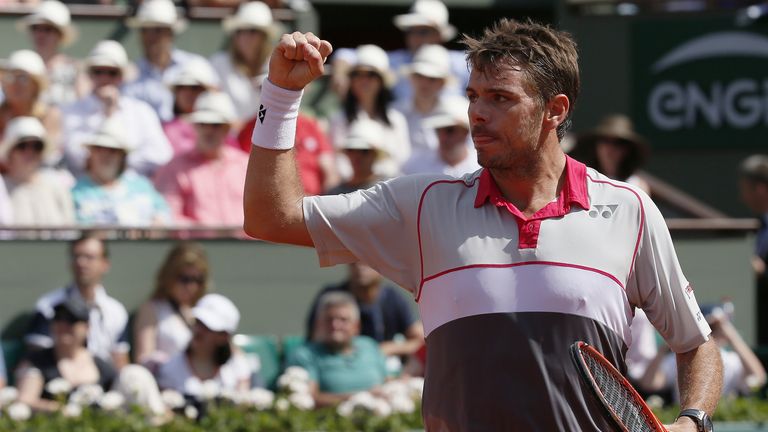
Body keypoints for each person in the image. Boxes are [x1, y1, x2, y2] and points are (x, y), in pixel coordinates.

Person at [243, 21, 723, 431]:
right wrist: (281, 95)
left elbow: (696, 345)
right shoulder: (422, 205)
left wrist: (692, 420)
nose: (476, 112)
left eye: (499, 98)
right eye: (473, 95)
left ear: (554, 110)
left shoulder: (629, 210)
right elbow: (271, 216)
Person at [60, 40, 172, 178]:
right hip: (86, 190)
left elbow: (161, 154)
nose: (104, 78)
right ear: (90, 74)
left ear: (121, 76)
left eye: (112, 73)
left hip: (133, 190)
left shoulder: (142, 111)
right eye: (98, 72)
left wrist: (118, 160)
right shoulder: (72, 111)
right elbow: (76, 156)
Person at [25, 233, 131, 370]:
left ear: (105, 264)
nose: (81, 263)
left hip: (105, 384)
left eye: (89, 257)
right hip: (58, 382)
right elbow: (36, 359)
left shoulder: (117, 311)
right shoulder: (48, 306)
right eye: (76, 257)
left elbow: (120, 361)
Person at [331, 0, 469, 104]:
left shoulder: (461, 62)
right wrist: (341, 75)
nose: (415, 37)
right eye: (410, 31)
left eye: (423, 31)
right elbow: (347, 55)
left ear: (439, 35)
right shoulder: (397, 60)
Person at [154, 91, 249, 226]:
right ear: (194, 126)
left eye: (216, 125)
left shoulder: (245, 165)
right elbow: (168, 216)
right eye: (203, 124)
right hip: (197, 245)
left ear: (227, 129)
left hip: (246, 245)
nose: (208, 131)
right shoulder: (174, 168)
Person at [639, 304, 766, 402]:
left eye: (714, 329)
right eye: (707, 328)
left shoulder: (731, 360)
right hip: (686, 422)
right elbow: (649, 383)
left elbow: (759, 378)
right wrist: (666, 345)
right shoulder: (680, 358)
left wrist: (730, 334)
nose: (710, 334)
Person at [16, 296, 117, 412]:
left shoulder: (102, 364)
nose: (63, 325)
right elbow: (25, 400)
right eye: (58, 318)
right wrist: (61, 410)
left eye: (71, 320)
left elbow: (116, 399)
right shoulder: (36, 361)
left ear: (87, 327)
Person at [288, 291, 388, 407]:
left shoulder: (369, 345)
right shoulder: (305, 354)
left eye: (343, 320)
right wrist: (360, 398)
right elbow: (310, 399)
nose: (335, 325)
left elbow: (387, 381)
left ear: (357, 326)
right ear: (318, 324)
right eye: (329, 319)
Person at [305, 262, 424, 358]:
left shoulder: (392, 297)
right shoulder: (331, 296)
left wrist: (385, 349)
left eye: (367, 261)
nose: (359, 266)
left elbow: (419, 340)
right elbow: (314, 337)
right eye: (353, 261)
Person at [328, 44, 411, 178]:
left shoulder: (397, 120)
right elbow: (338, 163)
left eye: (371, 75)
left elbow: (403, 160)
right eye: (357, 75)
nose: (364, 80)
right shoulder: (338, 120)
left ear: (381, 81)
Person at [71, 117, 172, 226]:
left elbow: (164, 213)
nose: (106, 156)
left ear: (122, 157)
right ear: (91, 155)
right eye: (99, 149)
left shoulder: (142, 186)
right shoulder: (76, 194)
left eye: (113, 151)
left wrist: (157, 223)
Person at [123, 0, 211, 122]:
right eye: (145, 30)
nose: (151, 37)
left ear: (171, 33)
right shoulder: (130, 77)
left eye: (158, 30)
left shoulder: (196, 65)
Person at [156, 293, 252, 399]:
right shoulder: (170, 368)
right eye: (198, 322)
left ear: (223, 336)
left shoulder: (237, 366)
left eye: (207, 327)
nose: (198, 330)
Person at [133, 242, 209, 371]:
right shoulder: (152, 309)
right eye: (185, 279)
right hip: (167, 384)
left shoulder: (206, 310)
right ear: (169, 276)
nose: (192, 286)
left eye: (198, 280)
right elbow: (143, 358)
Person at [238, 112, 339, 196]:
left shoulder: (309, 124)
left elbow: (329, 169)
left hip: (311, 201)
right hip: (272, 202)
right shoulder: (253, 126)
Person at [0, 116, 74, 227]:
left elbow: (71, 229)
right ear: (10, 152)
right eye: (22, 146)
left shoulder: (57, 185)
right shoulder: (2, 188)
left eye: (37, 146)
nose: (30, 152)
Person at [209, 1, 276, 123]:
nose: (245, 36)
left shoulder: (276, 65)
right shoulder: (219, 63)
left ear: (264, 36)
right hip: (229, 137)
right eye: (240, 31)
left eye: (252, 31)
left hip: (267, 137)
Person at [16, 0, 87, 107]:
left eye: (48, 29)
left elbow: (83, 104)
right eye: (35, 28)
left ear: (60, 34)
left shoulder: (75, 69)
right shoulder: (20, 67)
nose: (40, 34)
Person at [394, 44, 454, 156]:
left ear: (442, 83)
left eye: (432, 79)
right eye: (419, 76)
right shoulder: (395, 112)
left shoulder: (456, 114)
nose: (424, 83)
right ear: (411, 78)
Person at [0, 49, 62, 158]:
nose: (15, 83)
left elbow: (50, 155)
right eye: (10, 77)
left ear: (36, 86)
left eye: (23, 78)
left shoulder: (49, 116)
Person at [162, 57, 229, 157]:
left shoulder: (223, 126)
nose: (187, 93)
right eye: (182, 87)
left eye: (195, 88)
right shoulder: (165, 130)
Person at [569, 113, 651, 193]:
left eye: (617, 143)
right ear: (596, 146)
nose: (609, 148)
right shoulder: (582, 180)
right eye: (605, 141)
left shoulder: (637, 185)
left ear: (627, 149)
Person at [401, 95, 479, 177]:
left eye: (449, 130)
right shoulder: (413, 167)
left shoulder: (481, 168)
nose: (442, 137)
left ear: (465, 132)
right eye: (437, 130)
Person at [738, 154, 768, 345]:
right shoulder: (760, 225)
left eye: (744, 189)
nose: (742, 196)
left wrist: (763, 271)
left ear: (760, 189)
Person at [325, 118, 390, 195]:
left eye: (364, 151)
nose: (357, 156)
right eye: (351, 150)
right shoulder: (334, 193)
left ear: (375, 155)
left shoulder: (389, 188)